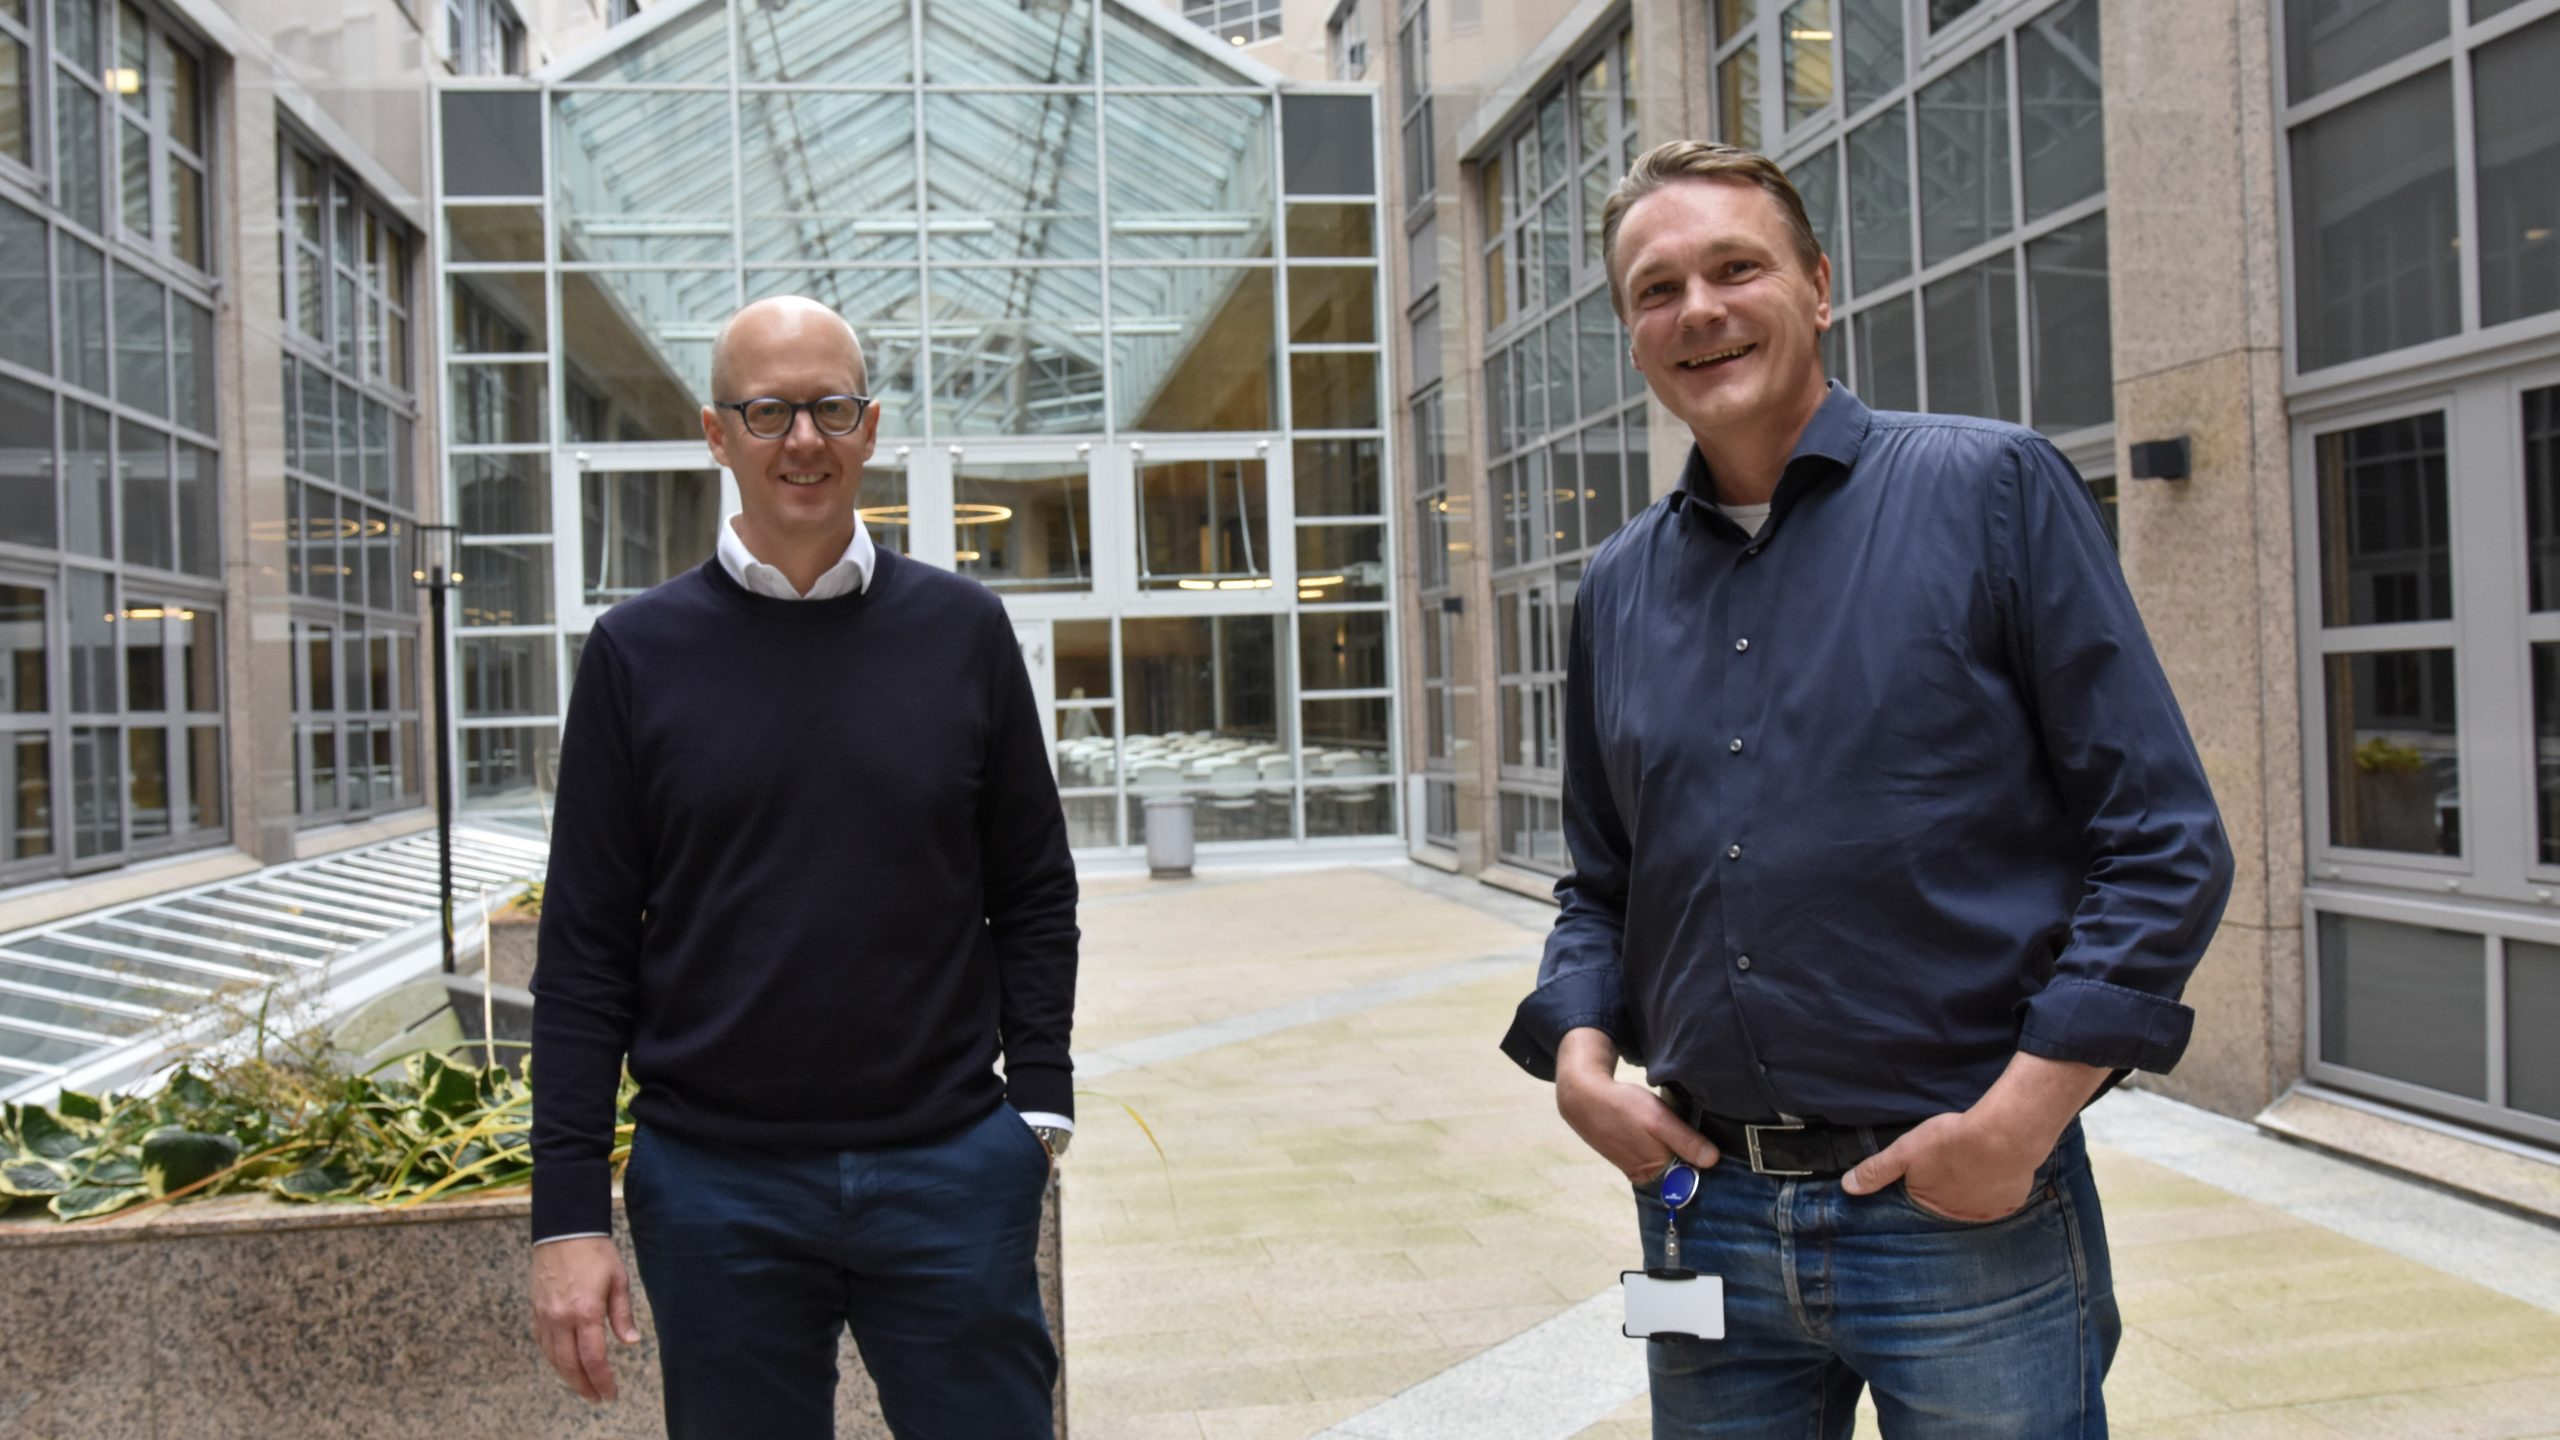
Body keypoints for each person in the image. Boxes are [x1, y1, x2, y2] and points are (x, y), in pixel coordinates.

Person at [1500, 141, 2233, 1438]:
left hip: (1961, 1215)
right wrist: (1576, 1057)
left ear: (1820, 286)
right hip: (1697, 1215)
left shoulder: (1989, 490)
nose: (1700, 310)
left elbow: (2163, 842)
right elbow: (1602, 881)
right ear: (1633, 337)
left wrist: (2015, 1126)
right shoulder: (1616, 587)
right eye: (1657, 290)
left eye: (1737, 267)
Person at [528, 295, 1080, 1439]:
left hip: (948, 1169)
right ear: (715, 433)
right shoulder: (636, 655)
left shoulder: (965, 633)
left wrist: (1037, 1107)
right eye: (769, 410)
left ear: (870, 426)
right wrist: (567, 1213)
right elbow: (584, 946)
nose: (804, 441)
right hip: (716, 1187)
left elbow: (1031, 888)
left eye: (831, 407)